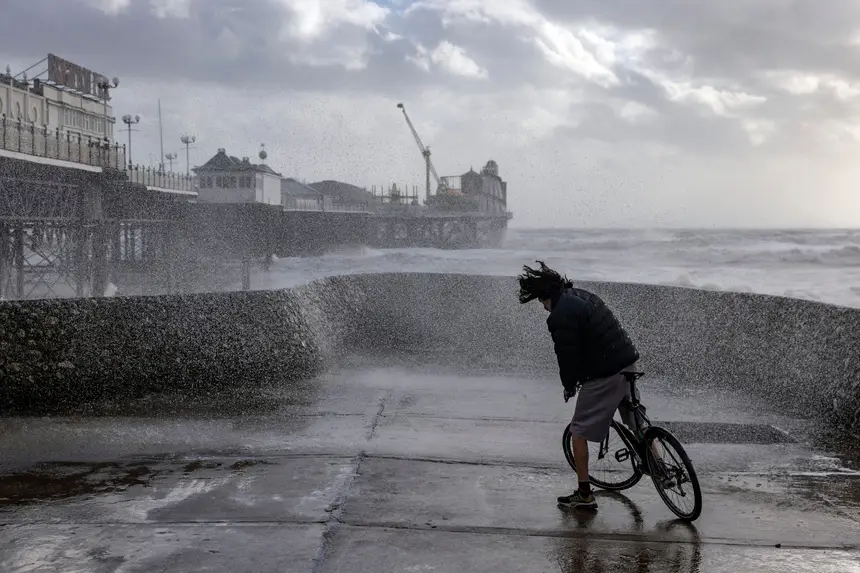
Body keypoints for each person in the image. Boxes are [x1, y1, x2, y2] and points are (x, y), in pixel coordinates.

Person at [517, 261, 642, 510]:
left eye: (541, 302)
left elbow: (568, 356)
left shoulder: (560, 315)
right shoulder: (583, 296)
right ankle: (661, 468)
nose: (543, 308)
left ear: (546, 295)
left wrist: (569, 385)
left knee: (578, 430)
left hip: (606, 374)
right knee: (637, 423)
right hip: (628, 363)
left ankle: (584, 494)